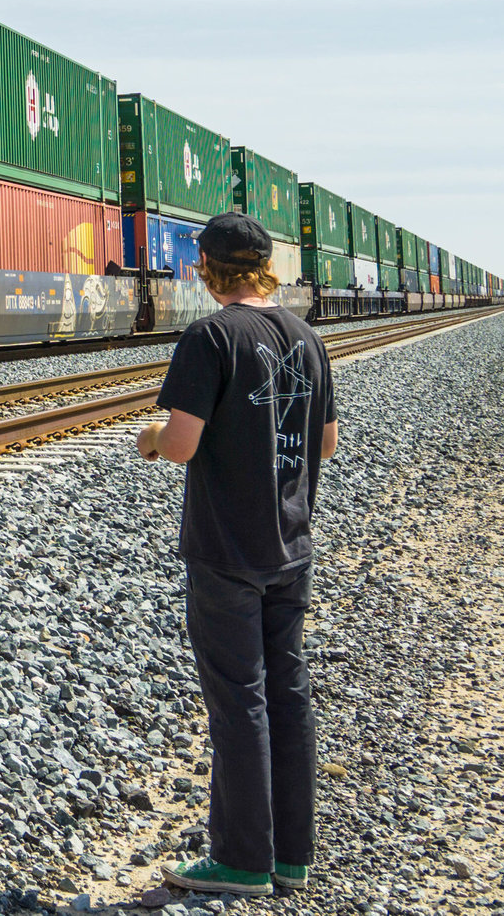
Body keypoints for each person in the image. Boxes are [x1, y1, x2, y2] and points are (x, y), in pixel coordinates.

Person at [136, 211, 338, 898]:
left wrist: (152, 437)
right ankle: (291, 855)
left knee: (238, 698)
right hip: (291, 542)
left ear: (206, 269)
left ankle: (242, 858)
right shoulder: (306, 336)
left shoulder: (210, 335)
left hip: (227, 547)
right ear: (265, 265)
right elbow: (327, 442)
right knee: (288, 690)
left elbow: (183, 442)